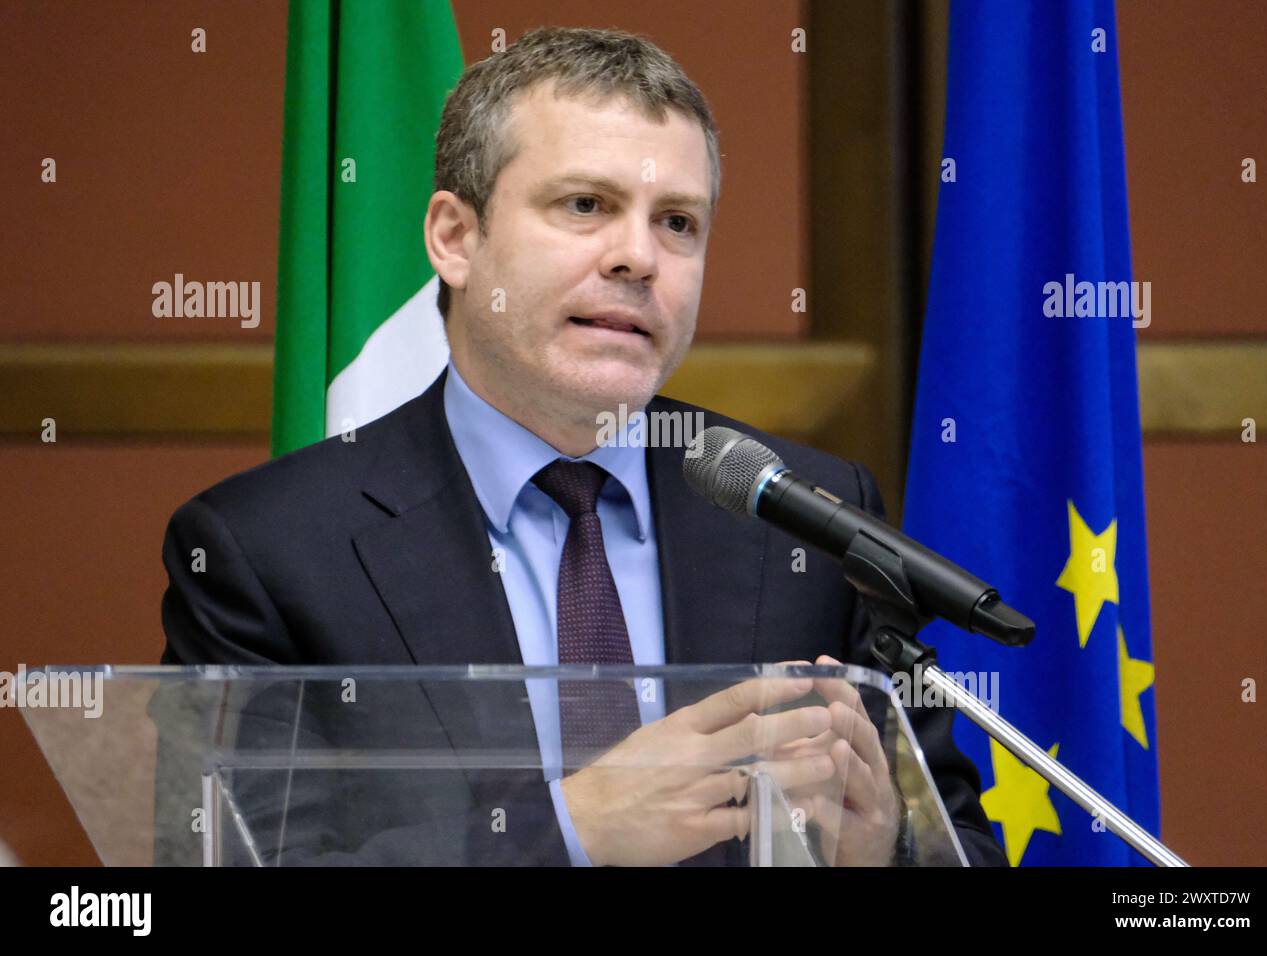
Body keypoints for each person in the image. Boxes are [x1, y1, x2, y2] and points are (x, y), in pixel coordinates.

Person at [159, 26, 1006, 867]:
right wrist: (568, 831)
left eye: (677, 222)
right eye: (586, 206)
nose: (639, 257)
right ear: (455, 238)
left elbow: (963, 847)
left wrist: (881, 849)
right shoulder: (267, 553)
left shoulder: (807, 517)